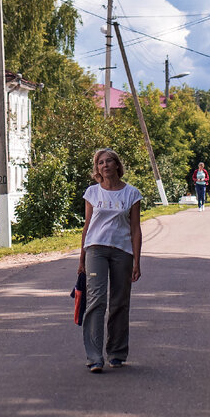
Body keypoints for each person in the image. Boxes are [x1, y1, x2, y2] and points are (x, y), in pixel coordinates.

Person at [78, 148, 142, 373]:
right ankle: (94, 357)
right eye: (100, 163)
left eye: (109, 161)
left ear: (117, 165)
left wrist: (137, 260)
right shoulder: (92, 193)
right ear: (97, 169)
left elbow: (135, 229)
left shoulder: (132, 194)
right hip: (95, 249)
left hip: (122, 251)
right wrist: (82, 258)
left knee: (119, 302)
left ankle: (116, 352)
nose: (104, 165)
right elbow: (87, 226)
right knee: (96, 301)